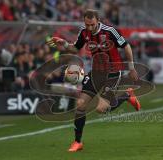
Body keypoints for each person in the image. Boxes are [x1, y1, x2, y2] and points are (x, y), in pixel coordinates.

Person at [47, 9, 141, 152]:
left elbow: (126, 46)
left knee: (101, 109)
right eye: (87, 24)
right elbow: (75, 48)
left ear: (98, 21)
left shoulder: (110, 31)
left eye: (92, 24)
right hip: (96, 73)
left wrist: (131, 67)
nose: (89, 27)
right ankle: (77, 142)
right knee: (80, 104)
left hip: (113, 73)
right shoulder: (84, 32)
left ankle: (127, 95)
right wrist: (65, 44)